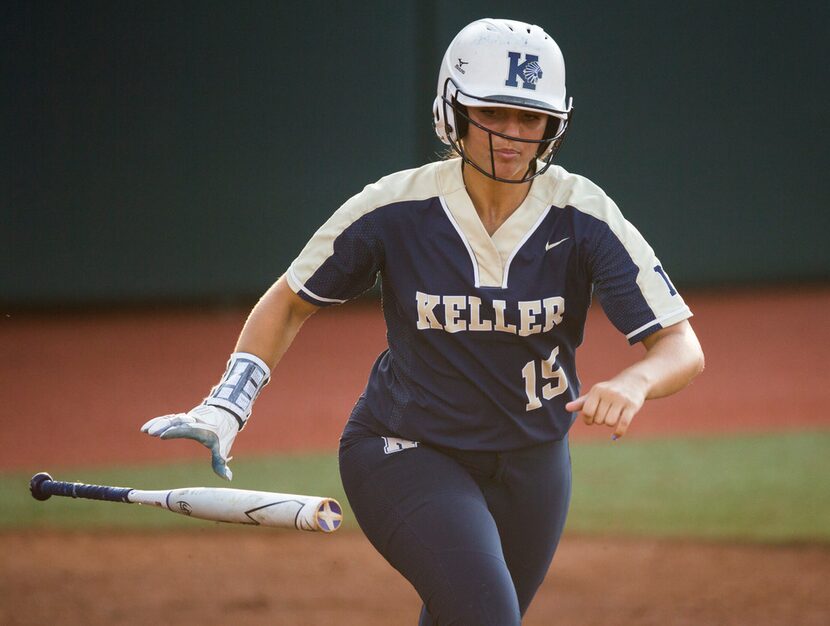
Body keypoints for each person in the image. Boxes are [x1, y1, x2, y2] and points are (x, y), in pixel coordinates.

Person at [141, 17, 704, 625]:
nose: (513, 135)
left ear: (553, 126)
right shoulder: (396, 207)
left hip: (535, 465)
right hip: (406, 450)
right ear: (452, 111)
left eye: (531, 118)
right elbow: (290, 299)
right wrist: (229, 405)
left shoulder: (583, 214)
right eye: (494, 113)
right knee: (488, 617)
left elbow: (681, 346)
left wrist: (635, 382)